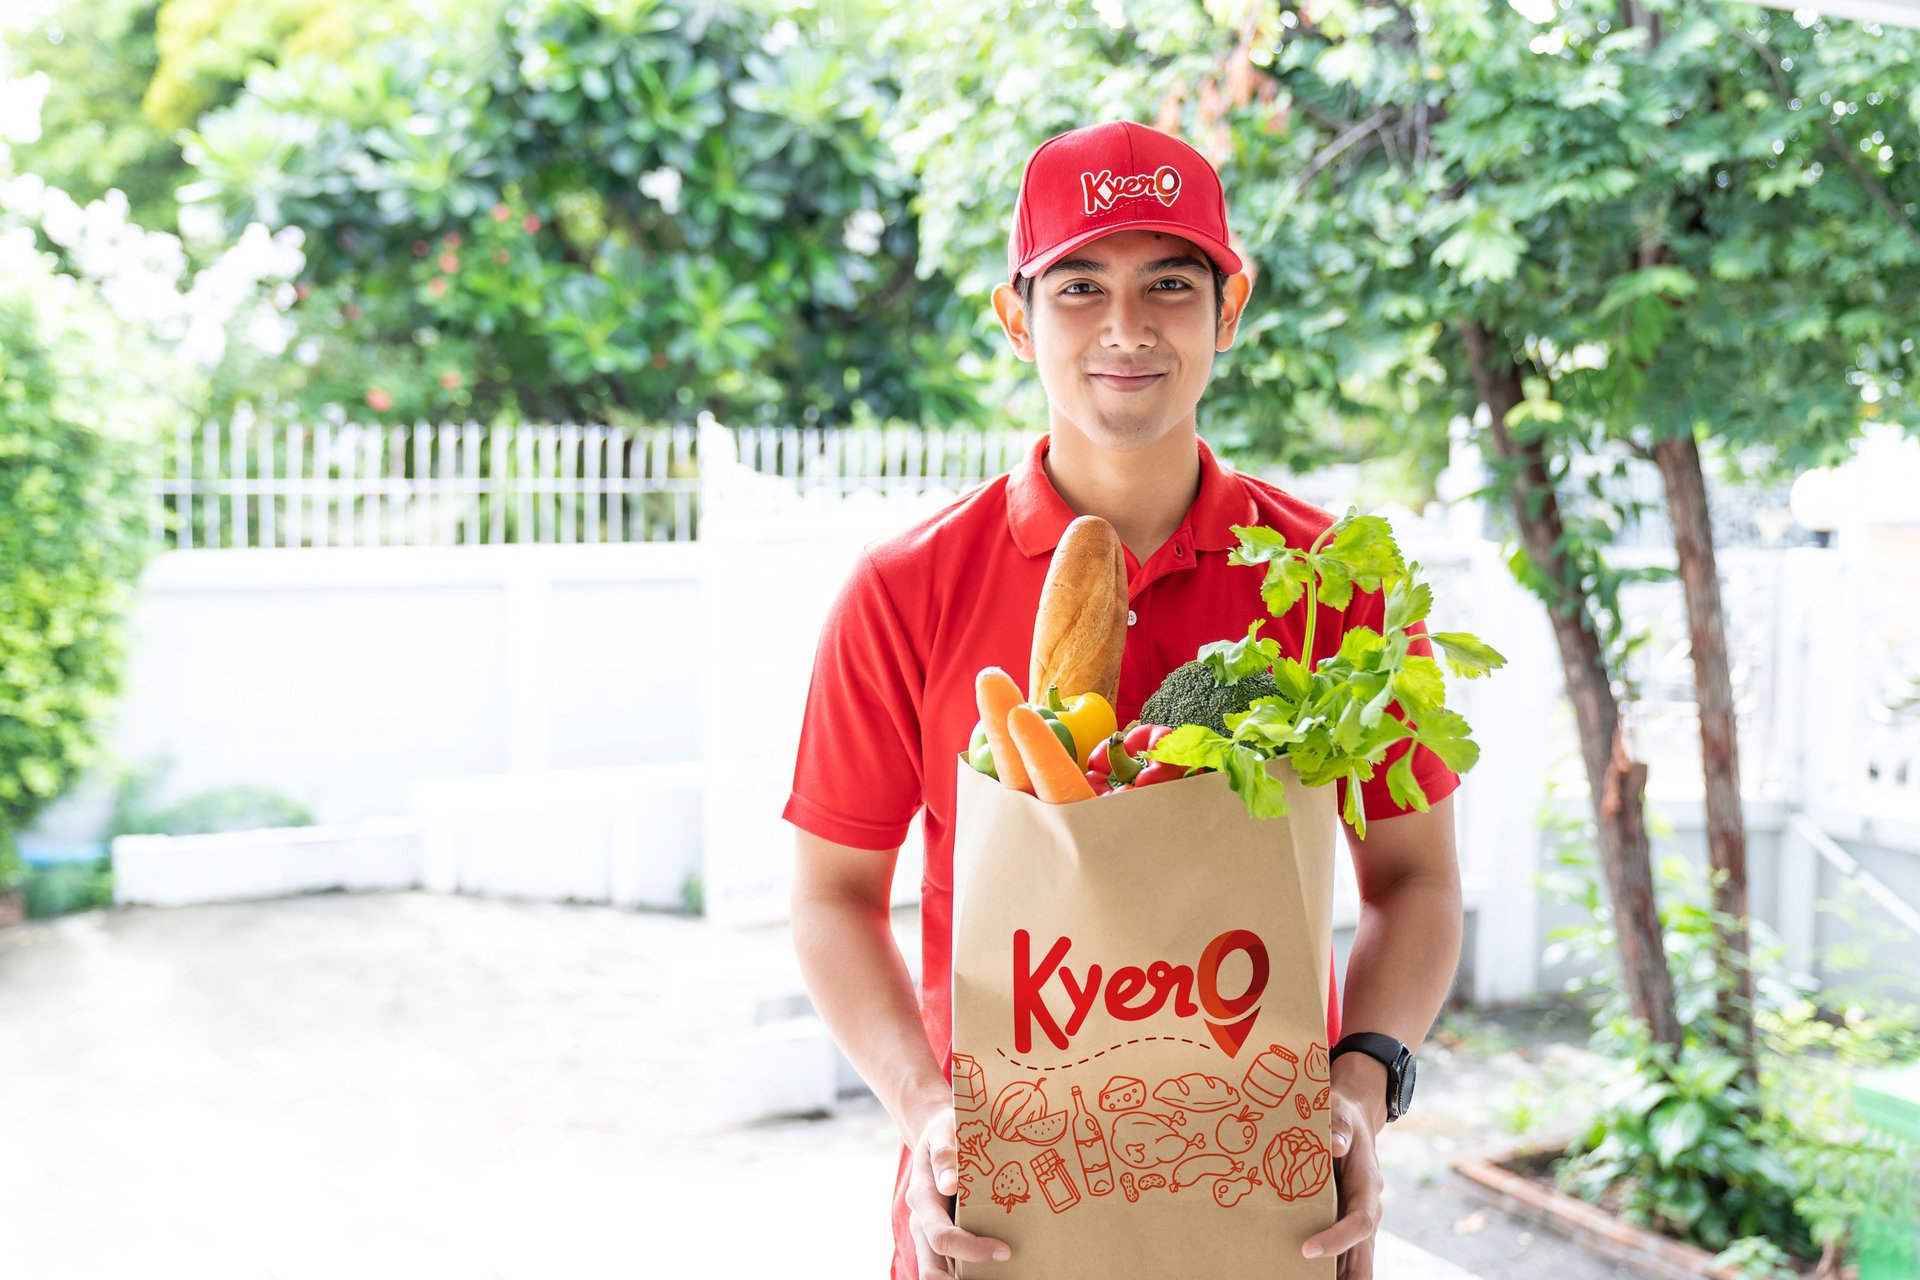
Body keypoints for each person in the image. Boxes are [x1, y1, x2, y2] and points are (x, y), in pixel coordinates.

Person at [784, 120, 1463, 1280]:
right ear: (1016, 317)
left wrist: (1359, 1081)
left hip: (1265, 1206)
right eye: (1080, 286)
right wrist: (922, 1108)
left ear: (1229, 308)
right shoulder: (905, 589)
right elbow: (833, 896)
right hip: (997, 1215)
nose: (1127, 329)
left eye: (1170, 284)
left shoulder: (1337, 584)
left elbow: (1415, 879)